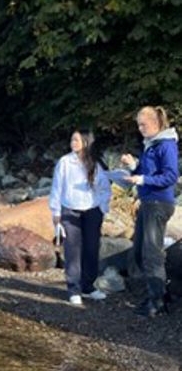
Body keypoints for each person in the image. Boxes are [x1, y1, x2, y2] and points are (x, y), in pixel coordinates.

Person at [121, 106, 179, 317]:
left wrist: (143, 179)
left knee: (151, 254)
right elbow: (146, 172)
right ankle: (161, 293)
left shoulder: (166, 145)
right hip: (148, 202)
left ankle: (157, 302)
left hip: (159, 203)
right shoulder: (151, 145)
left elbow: (171, 176)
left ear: (156, 123)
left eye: (143, 124)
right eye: (138, 124)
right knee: (139, 252)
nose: (140, 128)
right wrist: (133, 165)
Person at [49, 130, 111, 306]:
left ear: (86, 142)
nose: (73, 142)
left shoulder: (96, 163)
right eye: (72, 139)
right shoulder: (65, 162)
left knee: (92, 248)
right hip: (70, 211)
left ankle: (88, 286)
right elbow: (56, 188)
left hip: (92, 210)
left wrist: (102, 208)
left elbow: (105, 187)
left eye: (76, 139)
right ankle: (73, 288)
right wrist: (56, 213)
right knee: (73, 250)